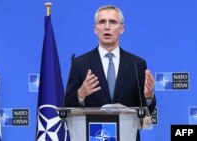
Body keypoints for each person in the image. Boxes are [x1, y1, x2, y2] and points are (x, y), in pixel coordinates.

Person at [64, 5, 156, 141]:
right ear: (95, 29)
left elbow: (145, 111)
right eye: (102, 22)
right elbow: (67, 107)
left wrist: (148, 96)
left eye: (112, 22)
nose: (107, 27)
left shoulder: (137, 64)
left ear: (122, 28)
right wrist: (80, 94)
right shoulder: (80, 64)